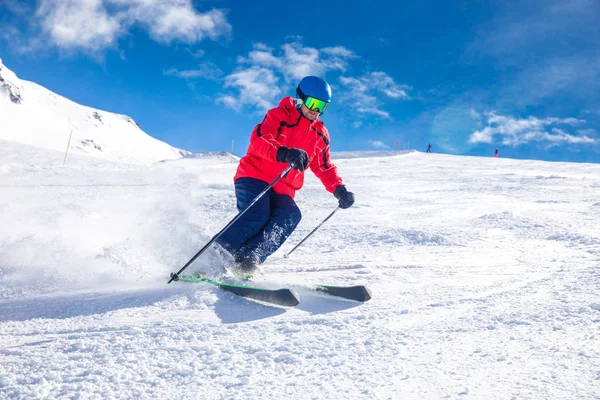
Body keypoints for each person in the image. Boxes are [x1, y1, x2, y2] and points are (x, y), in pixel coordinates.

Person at [215, 76, 355, 272]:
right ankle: (215, 256)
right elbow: (260, 139)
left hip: (283, 189)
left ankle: (246, 261)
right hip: (254, 176)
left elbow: (324, 166)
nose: (316, 110)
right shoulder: (279, 116)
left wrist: (339, 189)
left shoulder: (321, 135)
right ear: (301, 98)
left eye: (322, 107)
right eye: (312, 103)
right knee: (257, 214)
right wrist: (284, 153)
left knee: (290, 215)